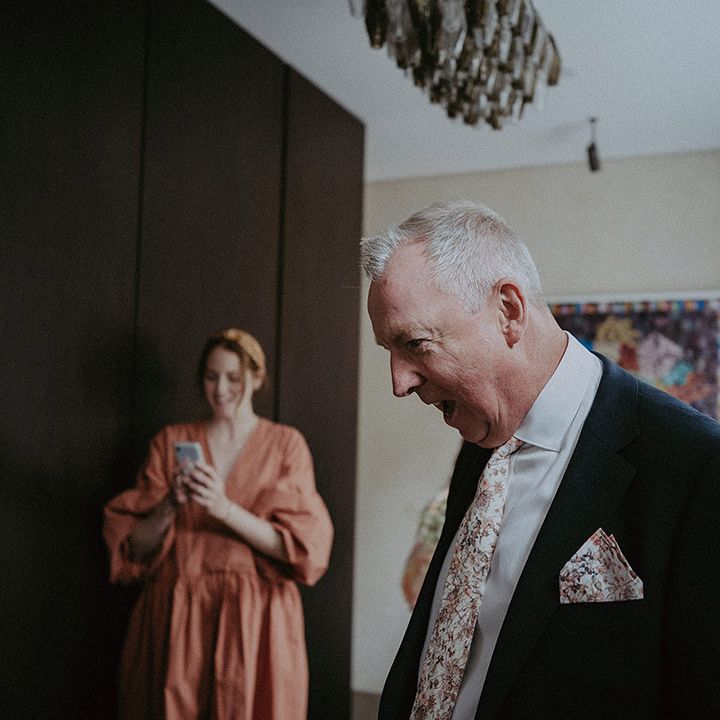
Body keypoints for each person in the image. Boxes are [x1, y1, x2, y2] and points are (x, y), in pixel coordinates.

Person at [361, 200, 720, 719]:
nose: (399, 382)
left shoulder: (696, 465)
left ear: (508, 311)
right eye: (389, 352)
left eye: (415, 344)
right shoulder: (481, 442)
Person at [103, 328, 333, 720]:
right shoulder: (171, 441)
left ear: (256, 379)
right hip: (178, 613)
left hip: (255, 617)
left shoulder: (285, 445)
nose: (221, 389)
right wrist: (170, 503)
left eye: (233, 377)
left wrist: (223, 508)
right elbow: (133, 550)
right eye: (212, 377)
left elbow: (301, 550)